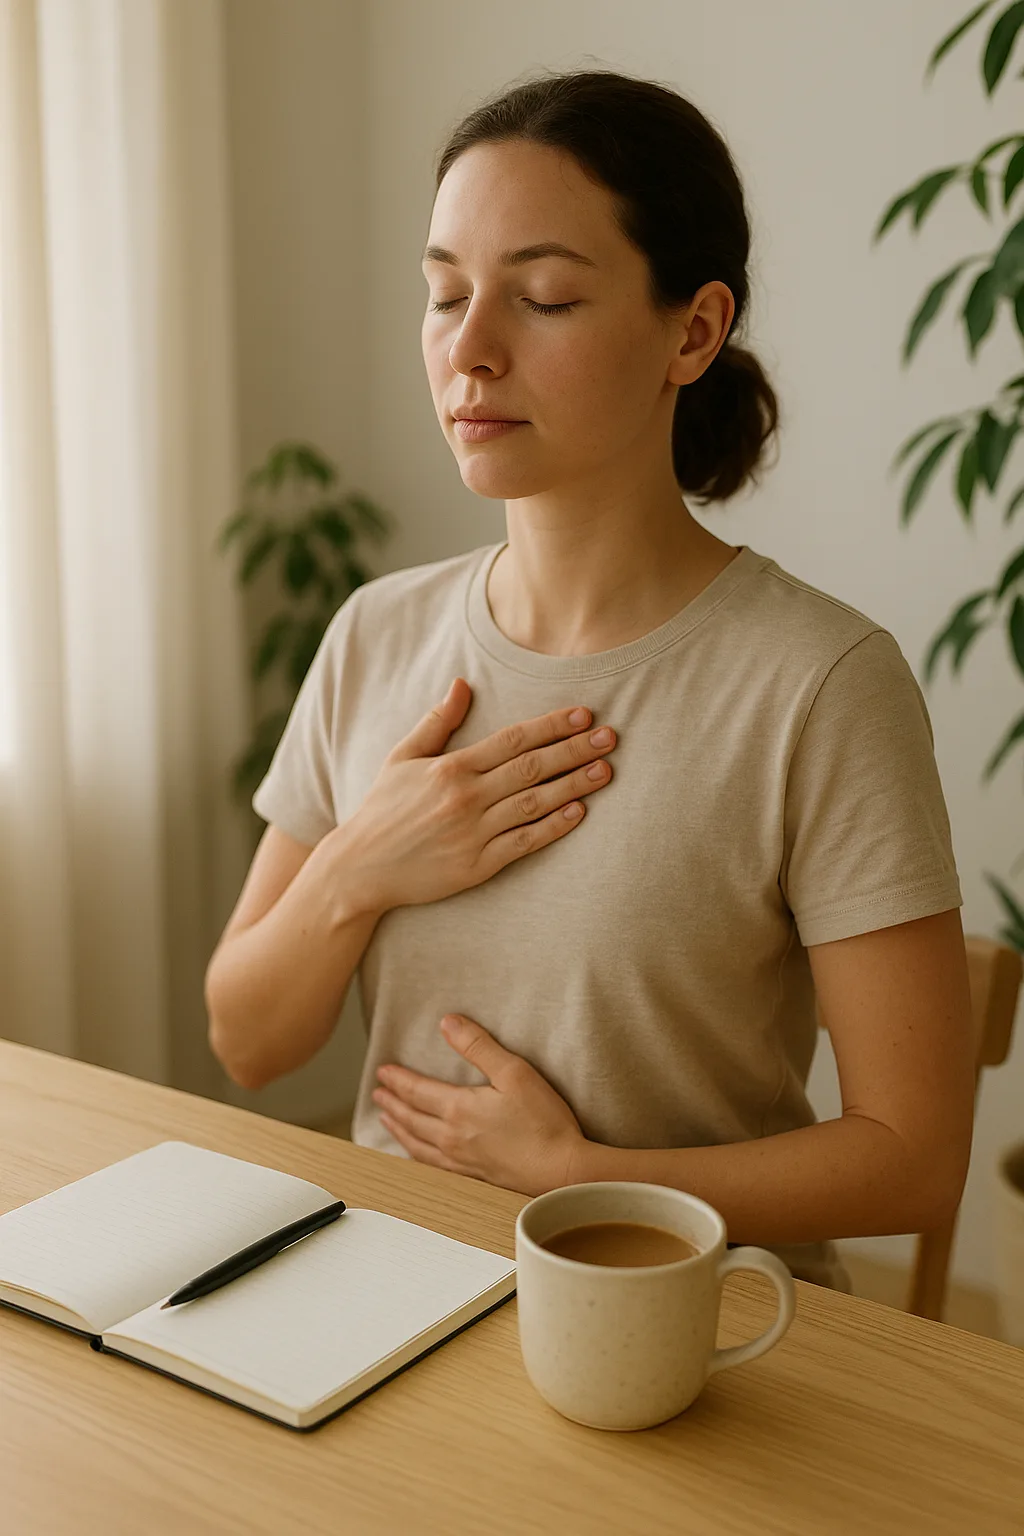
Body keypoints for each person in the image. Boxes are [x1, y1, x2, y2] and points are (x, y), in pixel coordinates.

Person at [205, 69, 974, 1292]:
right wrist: (360, 864)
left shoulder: (820, 683)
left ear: (693, 330)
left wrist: (579, 1174)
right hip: (391, 1302)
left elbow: (912, 1160)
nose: (470, 347)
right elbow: (249, 1040)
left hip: (709, 1332)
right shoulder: (374, 635)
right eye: (445, 294)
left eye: (544, 296)